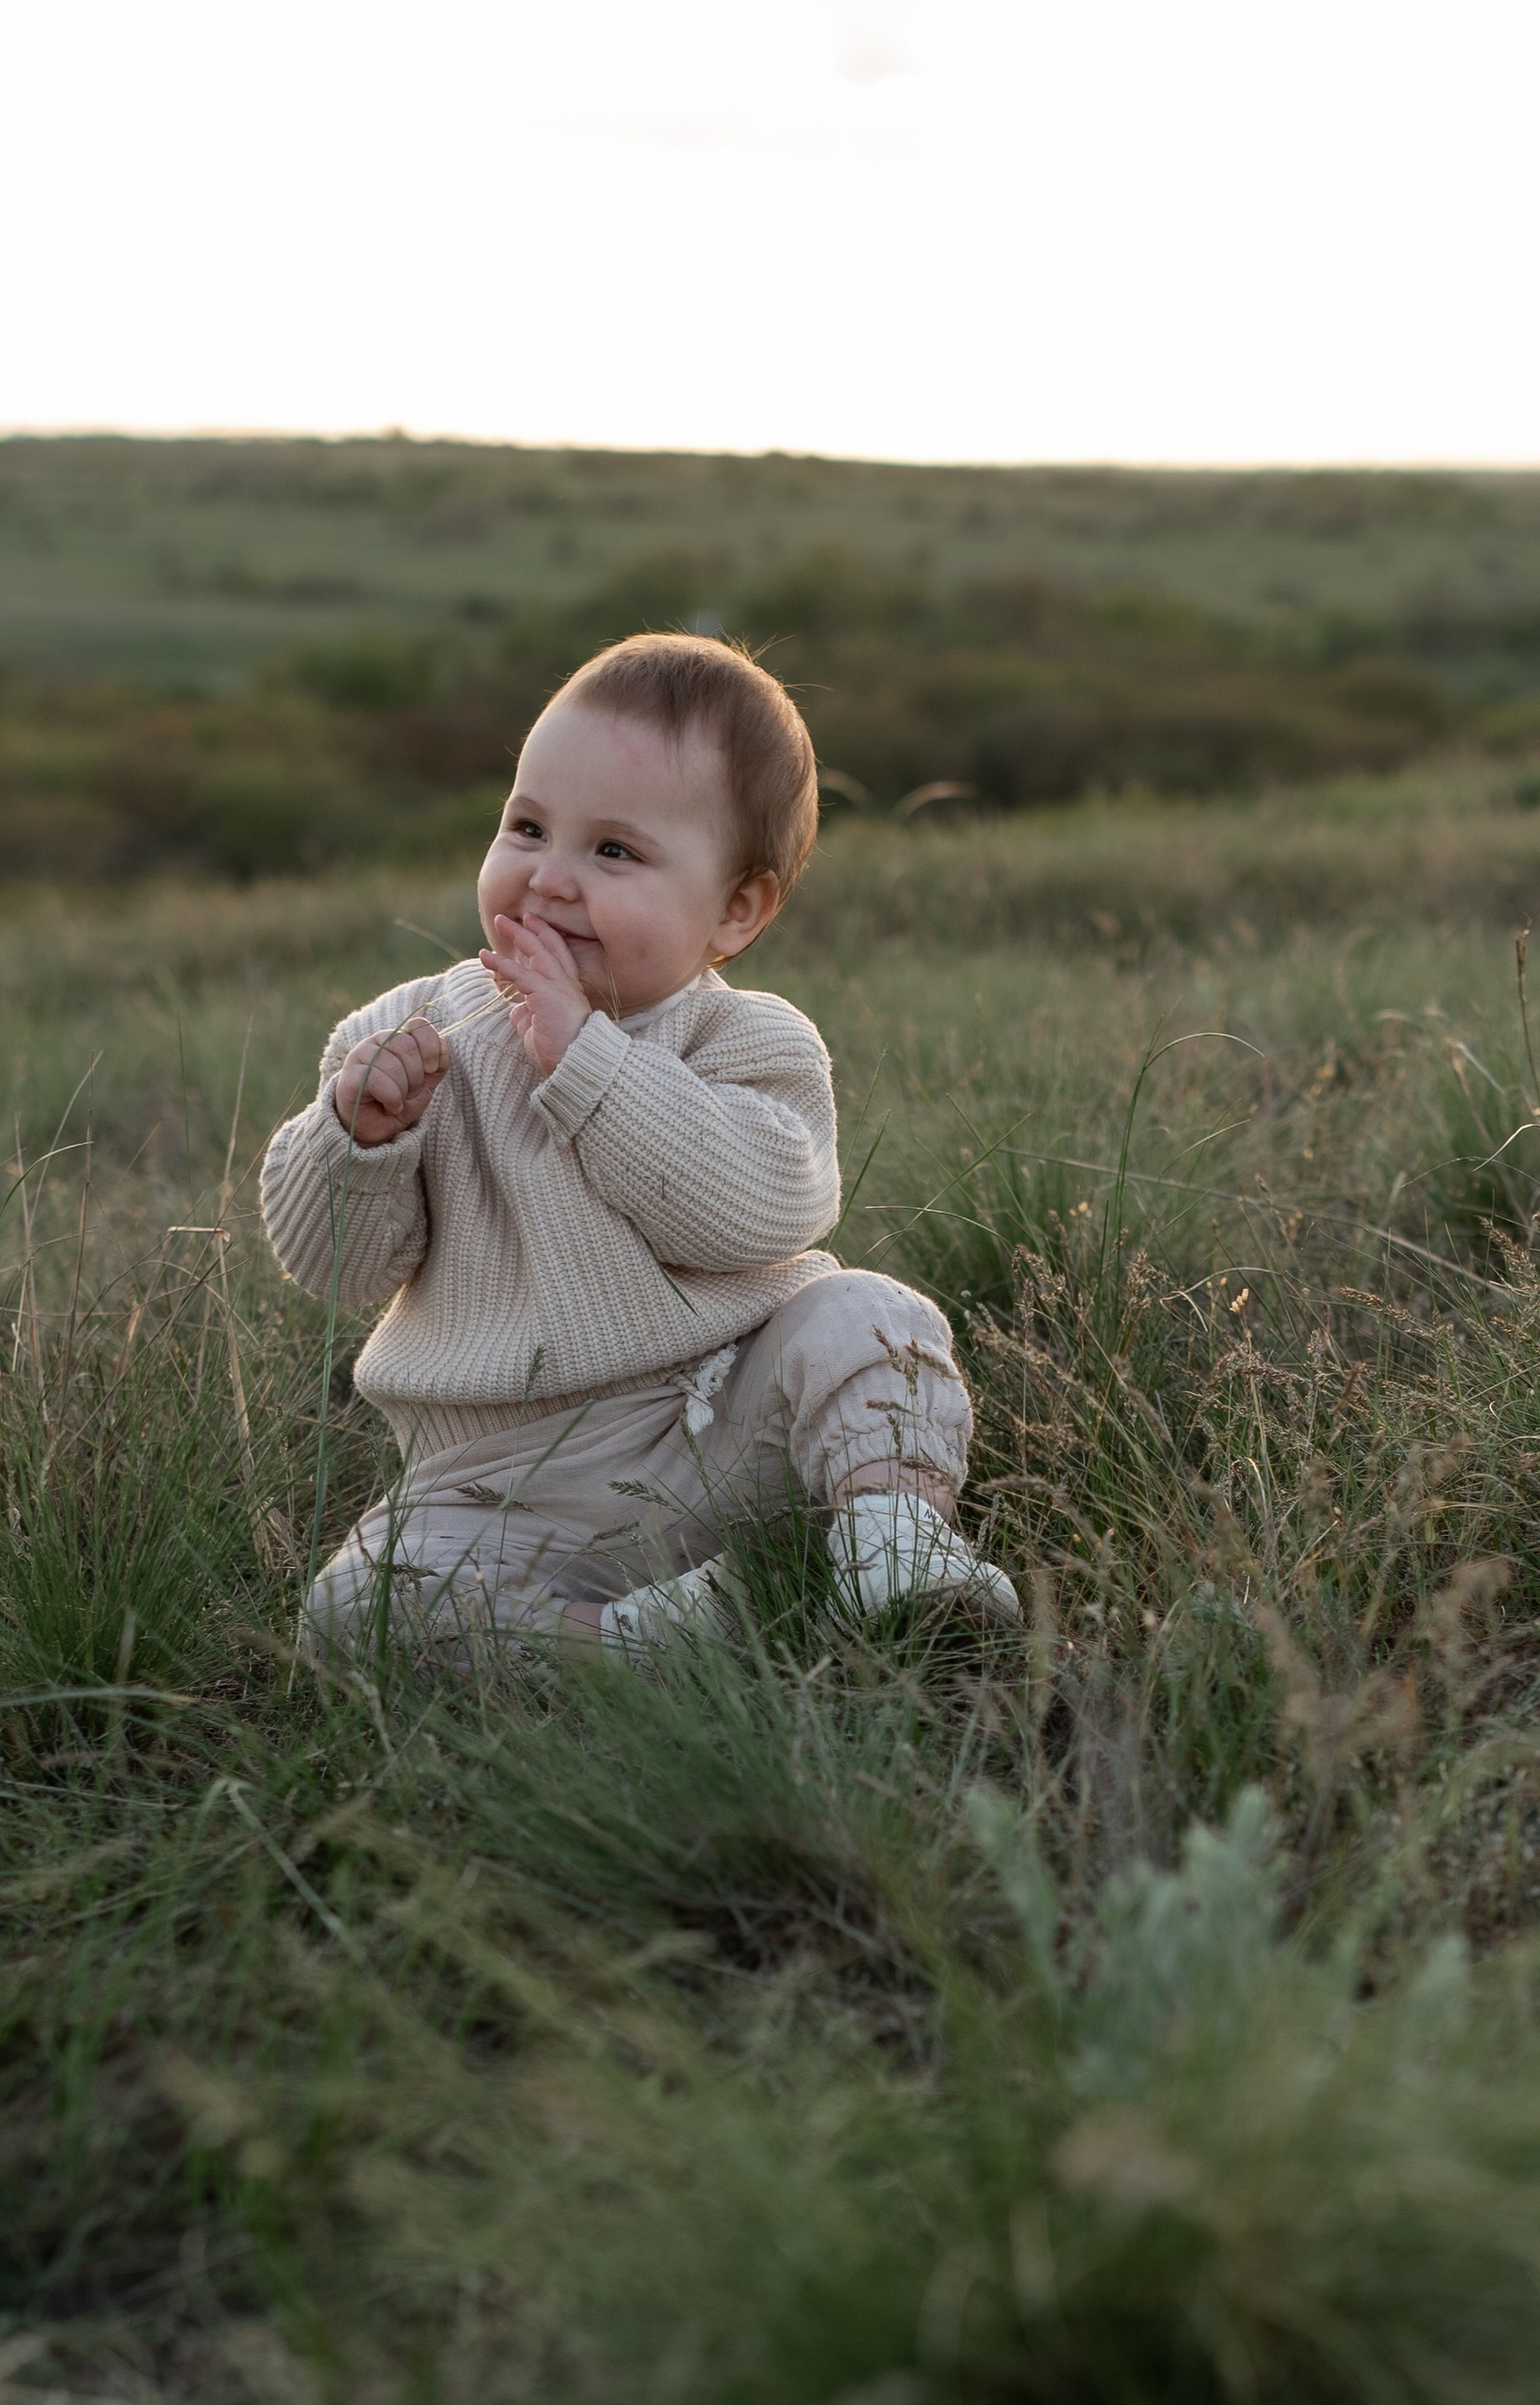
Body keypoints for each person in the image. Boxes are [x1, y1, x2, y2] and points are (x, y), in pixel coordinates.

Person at [259, 631, 1017, 1660]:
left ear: (735, 912)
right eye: (527, 827)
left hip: (718, 1432)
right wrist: (358, 1136)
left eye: (613, 850)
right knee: (354, 1614)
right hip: (489, 1488)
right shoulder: (411, 1032)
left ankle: (892, 1545)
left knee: (869, 1317)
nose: (550, 879)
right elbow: (335, 1267)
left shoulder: (749, 1041)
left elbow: (758, 1214)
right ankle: (645, 1637)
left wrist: (587, 1058)